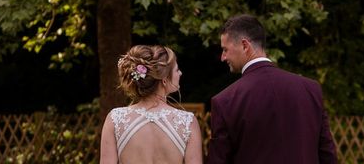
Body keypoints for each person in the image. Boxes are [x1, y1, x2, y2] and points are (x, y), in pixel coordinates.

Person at [206, 14, 338, 164]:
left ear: (244, 45)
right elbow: (327, 155)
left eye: (225, 49)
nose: (223, 57)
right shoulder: (311, 89)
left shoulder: (225, 101)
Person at [100, 44, 203, 164]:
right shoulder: (188, 122)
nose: (180, 73)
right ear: (164, 79)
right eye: (177, 69)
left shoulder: (115, 119)